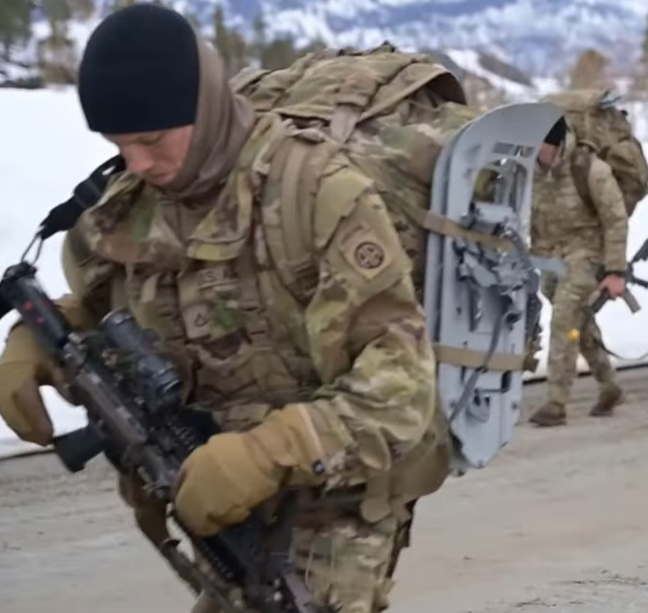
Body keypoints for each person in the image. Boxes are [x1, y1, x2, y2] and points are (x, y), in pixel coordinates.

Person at [0, 4, 452, 611]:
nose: (136, 164)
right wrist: (38, 340)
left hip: (334, 503)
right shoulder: (130, 206)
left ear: (204, 107)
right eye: (118, 145)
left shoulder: (315, 192)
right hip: (215, 504)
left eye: (151, 140)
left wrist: (267, 453)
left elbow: (402, 389)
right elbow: (108, 314)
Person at [525, 119, 629, 427]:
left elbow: (616, 220)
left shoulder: (590, 169)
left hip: (586, 255)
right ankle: (609, 383)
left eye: (541, 145)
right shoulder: (530, 171)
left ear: (555, 144)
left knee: (564, 319)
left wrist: (615, 271)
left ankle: (556, 402)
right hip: (549, 257)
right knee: (577, 324)